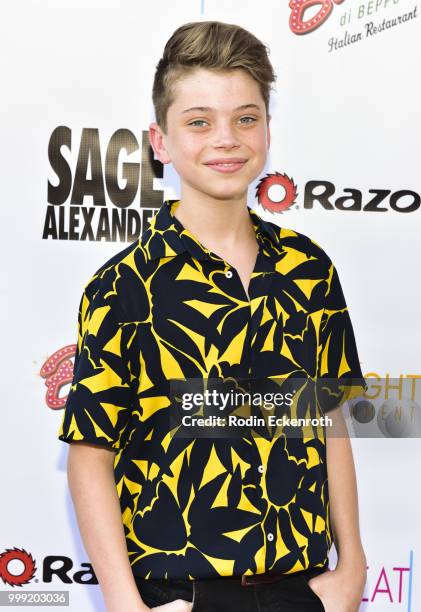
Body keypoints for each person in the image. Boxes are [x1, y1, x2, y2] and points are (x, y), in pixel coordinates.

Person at [57, 20, 368, 612]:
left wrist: (351, 566)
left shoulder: (311, 269)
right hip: (179, 596)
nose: (225, 138)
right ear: (161, 141)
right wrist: (126, 605)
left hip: (302, 590)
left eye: (245, 118)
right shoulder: (123, 285)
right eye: (198, 121)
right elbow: (89, 454)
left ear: (268, 129)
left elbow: (331, 421)